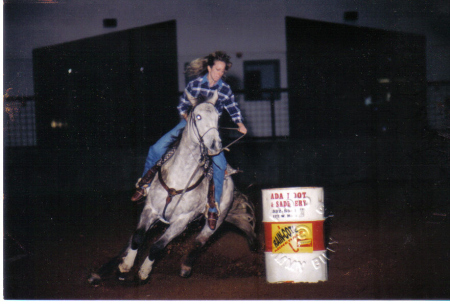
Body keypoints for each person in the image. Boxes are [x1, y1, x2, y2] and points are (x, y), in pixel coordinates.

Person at [131, 51, 247, 230]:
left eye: (222, 71)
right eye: (217, 70)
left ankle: (213, 206)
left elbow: (232, 107)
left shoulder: (224, 89)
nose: (219, 74)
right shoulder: (194, 85)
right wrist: (185, 115)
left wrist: (240, 123)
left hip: (209, 130)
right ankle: (144, 184)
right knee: (156, 148)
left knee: (220, 165)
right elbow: (183, 104)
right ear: (209, 68)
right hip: (189, 125)